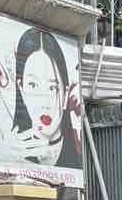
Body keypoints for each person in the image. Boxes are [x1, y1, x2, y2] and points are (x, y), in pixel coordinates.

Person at [11, 28, 82, 169]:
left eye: (52, 88)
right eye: (33, 85)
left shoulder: (79, 156)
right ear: (21, 89)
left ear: (65, 94)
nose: (44, 103)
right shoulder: (11, 151)